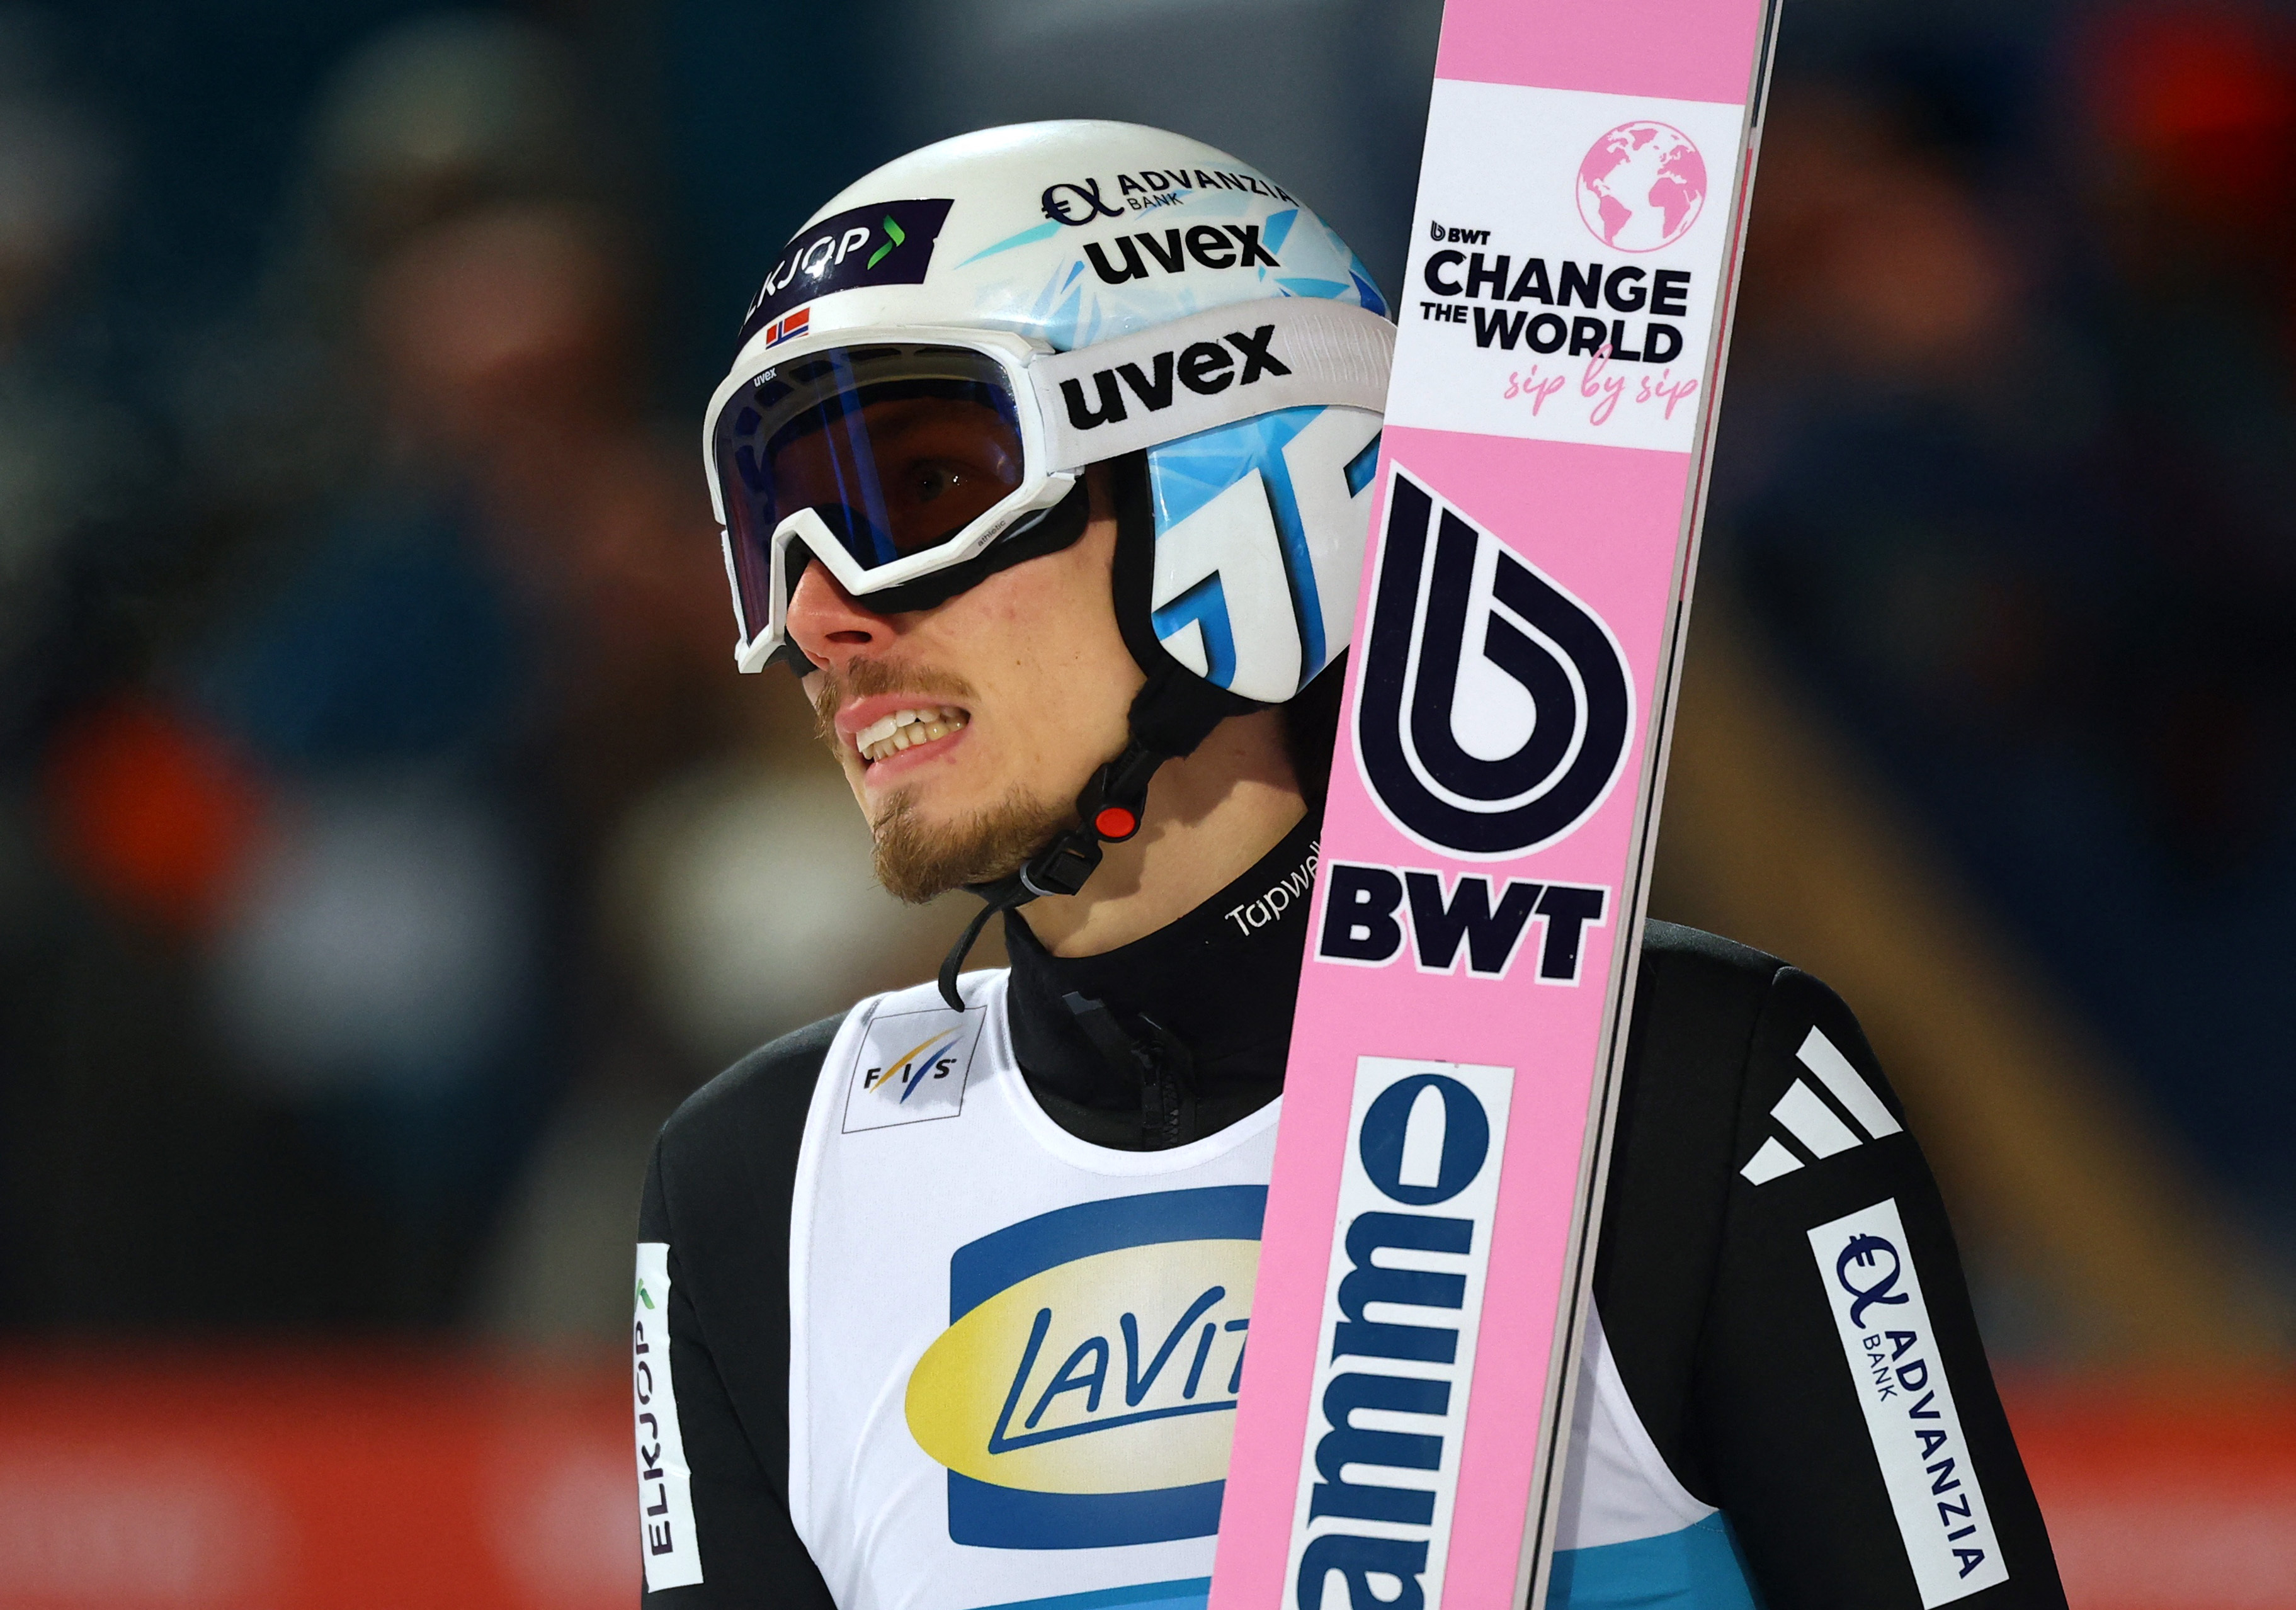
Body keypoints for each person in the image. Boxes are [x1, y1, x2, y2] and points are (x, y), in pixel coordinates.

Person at [634, 121, 2067, 1610]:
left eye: (916, 487)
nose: (819, 616)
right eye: (772, 526)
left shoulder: (1686, 1089)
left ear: (1230, 478)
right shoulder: (762, 1188)